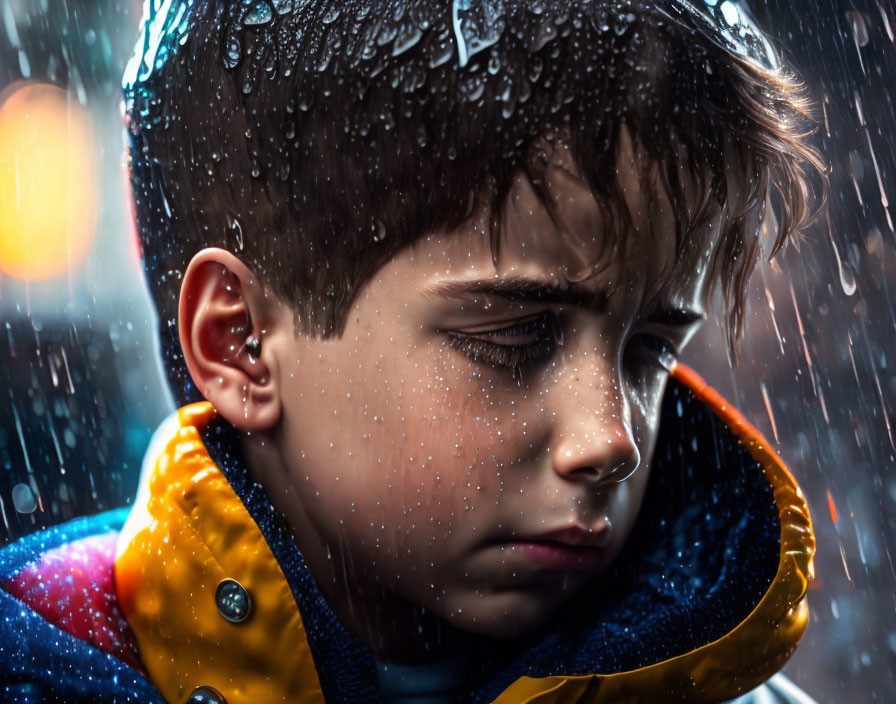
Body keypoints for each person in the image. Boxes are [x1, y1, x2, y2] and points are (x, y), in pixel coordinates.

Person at [0, 1, 825, 702]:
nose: (612, 440)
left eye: (648, 352)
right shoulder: (44, 663)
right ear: (242, 344)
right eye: (517, 338)